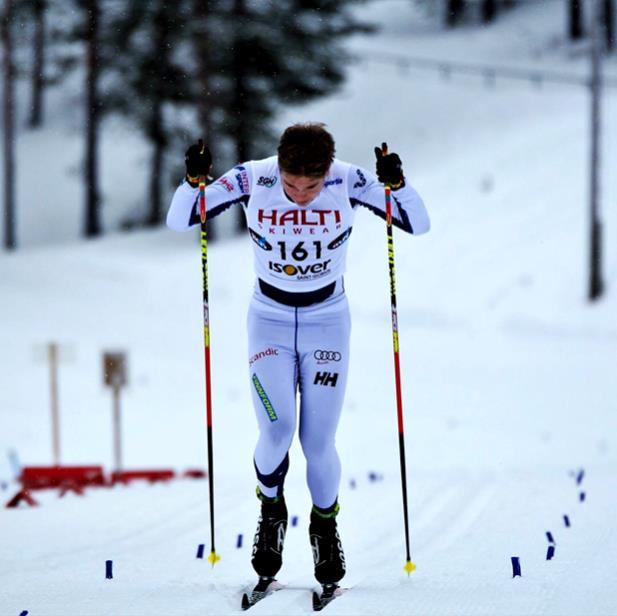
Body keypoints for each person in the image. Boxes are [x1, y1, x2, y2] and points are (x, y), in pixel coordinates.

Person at [167, 123, 430, 592]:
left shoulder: (346, 180)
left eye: (310, 186)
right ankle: (271, 510)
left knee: (317, 443)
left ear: (326, 171)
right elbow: (181, 219)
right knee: (277, 428)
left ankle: (324, 528)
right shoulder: (254, 178)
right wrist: (193, 182)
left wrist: (397, 184)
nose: (301, 195)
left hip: (327, 321)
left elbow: (418, 222)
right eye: (291, 185)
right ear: (280, 167)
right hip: (268, 319)